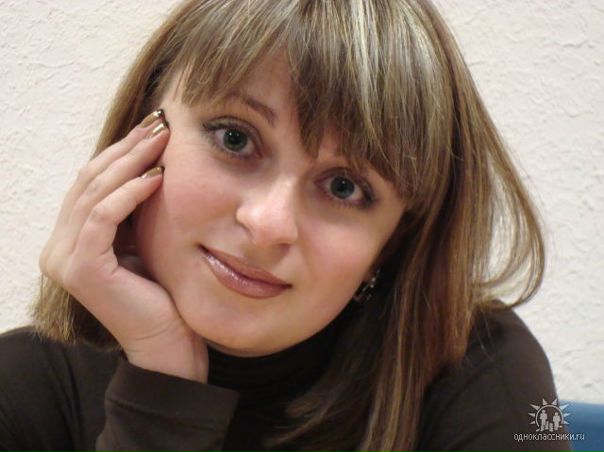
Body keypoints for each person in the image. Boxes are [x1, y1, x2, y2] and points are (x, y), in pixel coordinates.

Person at [0, 0, 572, 451]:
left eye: (344, 187)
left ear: (391, 240)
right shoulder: (21, 387)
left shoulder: (486, 366)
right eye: (235, 138)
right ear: (143, 134)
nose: (269, 223)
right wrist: (162, 384)